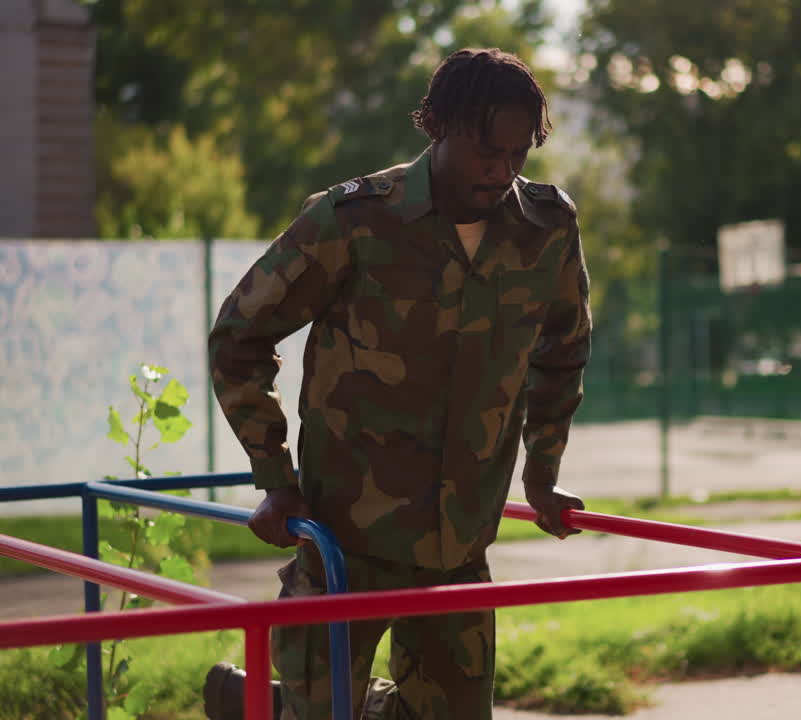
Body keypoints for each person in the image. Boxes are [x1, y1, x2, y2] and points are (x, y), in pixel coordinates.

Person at [204, 47, 591, 720]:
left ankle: (263, 704)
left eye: (519, 153)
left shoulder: (545, 229)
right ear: (436, 125)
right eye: (483, 151)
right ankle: (271, 706)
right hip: (345, 540)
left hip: (460, 544)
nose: (501, 171)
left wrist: (542, 470)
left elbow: (564, 348)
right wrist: (275, 476)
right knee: (320, 714)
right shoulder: (354, 220)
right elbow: (239, 335)